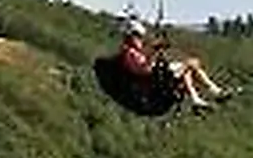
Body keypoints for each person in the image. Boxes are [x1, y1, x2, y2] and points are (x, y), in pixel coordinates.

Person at [95, 18, 230, 115]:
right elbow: (144, 70)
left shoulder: (134, 53)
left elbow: (147, 65)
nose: (141, 40)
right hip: (153, 86)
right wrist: (154, 52)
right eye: (138, 37)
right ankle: (212, 92)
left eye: (141, 37)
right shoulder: (129, 53)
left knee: (188, 67)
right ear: (130, 37)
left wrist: (156, 50)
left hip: (157, 81)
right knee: (190, 63)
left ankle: (201, 97)